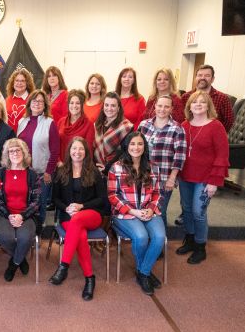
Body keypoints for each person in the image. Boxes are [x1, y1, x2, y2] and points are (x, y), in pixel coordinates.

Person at [49, 137, 106, 301]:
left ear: (86, 152)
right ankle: (89, 278)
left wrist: (81, 206)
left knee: (78, 221)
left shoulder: (93, 171)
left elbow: (102, 199)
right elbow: (55, 199)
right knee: (79, 235)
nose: (77, 152)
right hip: (68, 216)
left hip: (91, 214)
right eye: (74, 149)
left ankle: (63, 266)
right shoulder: (61, 172)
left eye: (81, 149)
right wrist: (66, 208)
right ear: (69, 151)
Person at [108, 132, 165, 296]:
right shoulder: (116, 167)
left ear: (144, 147)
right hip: (125, 213)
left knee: (159, 237)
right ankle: (145, 273)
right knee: (141, 237)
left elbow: (158, 193)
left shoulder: (153, 167)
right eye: (132, 144)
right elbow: (112, 195)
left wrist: (151, 209)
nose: (136, 147)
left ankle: (143, 272)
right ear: (126, 146)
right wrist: (133, 211)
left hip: (149, 211)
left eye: (140, 144)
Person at [177, 91, 229, 264]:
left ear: (208, 106)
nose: (198, 105)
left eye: (202, 102)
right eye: (194, 102)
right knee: (187, 209)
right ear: (189, 106)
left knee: (199, 212)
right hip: (185, 176)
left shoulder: (216, 126)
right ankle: (190, 240)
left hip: (206, 178)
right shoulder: (184, 125)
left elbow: (222, 156)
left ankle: (200, 246)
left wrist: (215, 181)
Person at [0, 138, 40, 282]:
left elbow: (36, 201)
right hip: (4, 214)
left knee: (25, 238)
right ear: (7, 154)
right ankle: (21, 258)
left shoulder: (32, 174)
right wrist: (9, 215)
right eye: (11, 151)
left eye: (18, 150)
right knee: (6, 237)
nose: (15, 153)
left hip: (27, 215)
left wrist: (22, 216)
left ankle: (13, 264)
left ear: (24, 152)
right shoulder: (0, 172)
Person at [138, 95, 186, 227]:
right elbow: (134, 147)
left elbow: (180, 156)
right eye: (159, 106)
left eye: (166, 106)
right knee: (143, 210)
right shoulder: (144, 125)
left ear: (171, 109)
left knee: (160, 211)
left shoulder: (177, 128)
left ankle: (160, 243)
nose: (162, 109)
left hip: (164, 178)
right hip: (143, 177)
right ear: (154, 107)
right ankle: (146, 239)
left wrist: (172, 178)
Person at [17, 89, 60, 232]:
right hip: (24, 172)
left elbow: (55, 150)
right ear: (29, 103)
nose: (37, 103)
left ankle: (38, 232)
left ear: (45, 105)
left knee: (40, 204)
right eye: (34, 101)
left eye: (40, 101)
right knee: (25, 203)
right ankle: (26, 231)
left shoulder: (50, 123)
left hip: (42, 174)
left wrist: (49, 171)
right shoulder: (22, 122)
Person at [180, 65, 234, 132]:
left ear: (212, 79)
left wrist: (217, 133)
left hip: (213, 138)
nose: (203, 78)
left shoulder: (223, 98)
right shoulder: (186, 97)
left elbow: (229, 121)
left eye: (207, 75)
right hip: (189, 135)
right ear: (195, 77)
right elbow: (180, 118)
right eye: (200, 75)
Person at [93, 92, 134, 174]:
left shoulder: (126, 127)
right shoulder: (97, 125)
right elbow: (93, 148)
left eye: (113, 105)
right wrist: (95, 166)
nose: (109, 108)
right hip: (97, 170)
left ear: (118, 108)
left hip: (116, 170)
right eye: (107, 105)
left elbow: (124, 151)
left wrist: (107, 168)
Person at [57, 89, 95, 161]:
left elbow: (88, 151)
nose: (74, 106)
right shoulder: (61, 122)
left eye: (78, 103)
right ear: (68, 104)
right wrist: (58, 162)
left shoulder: (89, 124)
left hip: (79, 166)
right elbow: (56, 145)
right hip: (61, 165)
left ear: (82, 105)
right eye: (71, 103)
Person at [5, 68, 35, 132]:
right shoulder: (7, 100)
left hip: (26, 138)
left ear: (27, 83)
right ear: (13, 83)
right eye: (17, 80)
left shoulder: (33, 100)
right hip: (9, 138)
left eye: (22, 81)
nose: (19, 83)